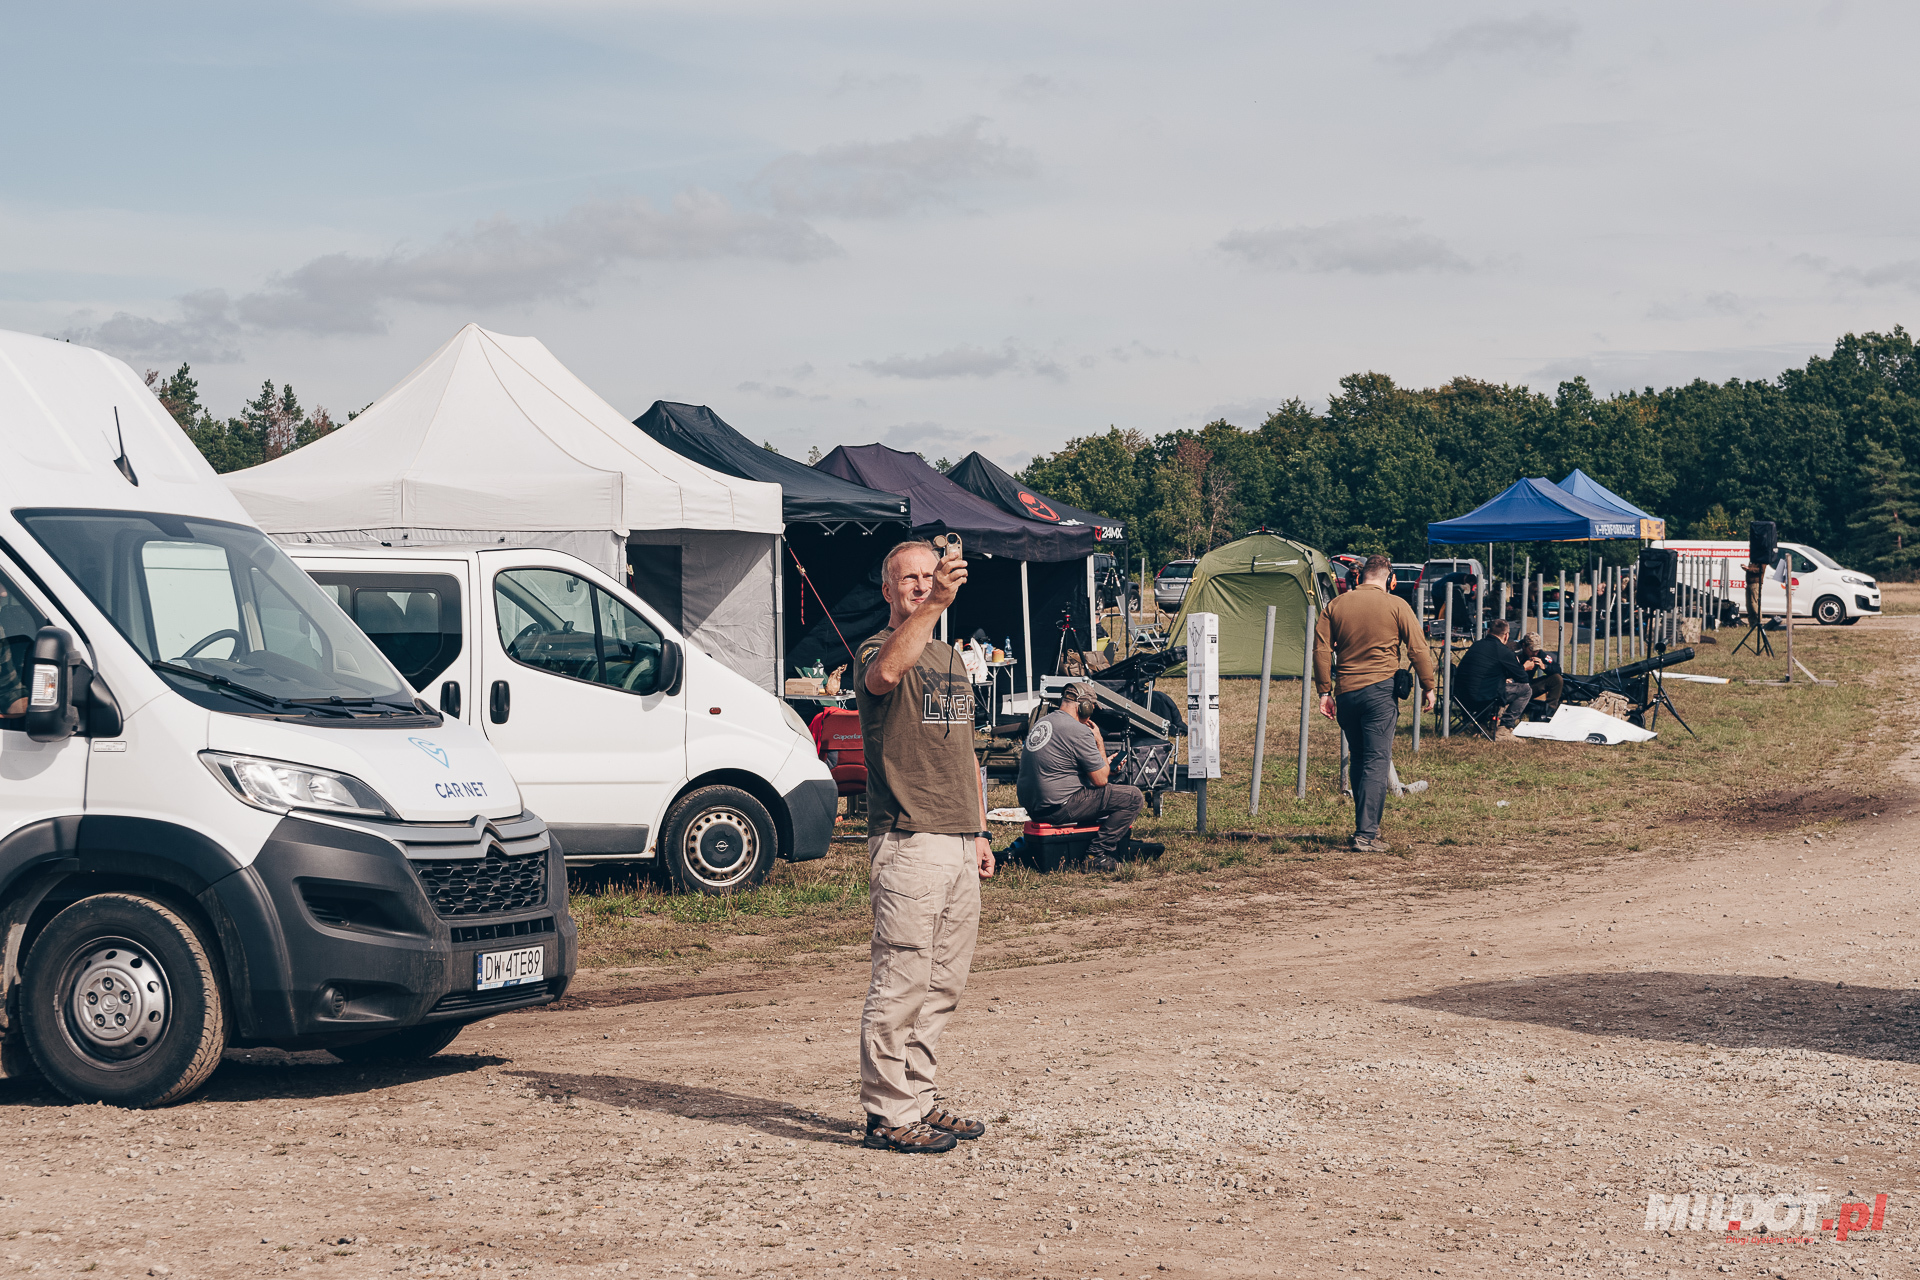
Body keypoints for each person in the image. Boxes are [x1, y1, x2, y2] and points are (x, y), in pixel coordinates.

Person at [850, 539, 994, 1156]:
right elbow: (885, 675)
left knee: (942, 984)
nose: (919, 585)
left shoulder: (951, 657)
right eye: (907, 579)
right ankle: (887, 1113)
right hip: (909, 838)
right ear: (887, 590)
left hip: (958, 838)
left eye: (928, 576)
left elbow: (965, 750)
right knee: (902, 980)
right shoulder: (877, 648)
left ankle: (919, 1098)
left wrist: (981, 830)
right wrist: (935, 603)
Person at [1314, 554, 1437, 853]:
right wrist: (1428, 685)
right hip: (1380, 692)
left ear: (1359, 577)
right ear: (1391, 579)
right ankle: (1366, 835)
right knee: (1376, 761)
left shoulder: (1335, 605)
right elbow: (1418, 648)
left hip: (1346, 692)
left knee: (1359, 758)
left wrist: (1324, 692)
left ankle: (1365, 827)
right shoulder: (1397, 605)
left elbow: (1321, 650)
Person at [1015, 682, 1163, 872]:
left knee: (1099, 794)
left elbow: (1064, 767)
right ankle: (1096, 854)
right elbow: (1101, 780)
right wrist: (1099, 742)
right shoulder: (1078, 730)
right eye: (1092, 708)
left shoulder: (1042, 723)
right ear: (1083, 706)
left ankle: (1089, 845)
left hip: (1036, 807)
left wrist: (1104, 765)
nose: (1091, 713)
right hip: (1059, 807)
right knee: (1133, 797)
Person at [1457, 618, 1537, 739]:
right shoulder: (1503, 651)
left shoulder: (1476, 645)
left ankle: (1481, 724)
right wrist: (1525, 667)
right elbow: (1523, 678)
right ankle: (1504, 728)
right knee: (1526, 690)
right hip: (1482, 698)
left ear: (1489, 631)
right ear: (1506, 635)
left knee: (1491, 683)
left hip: (1460, 697)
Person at [1514, 631, 1562, 715]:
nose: (1535, 653)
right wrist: (1523, 668)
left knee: (1557, 679)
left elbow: (1557, 669)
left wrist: (1544, 667)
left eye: (1537, 650)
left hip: (1527, 687)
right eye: (1532, 650)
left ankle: (1549, 711)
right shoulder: (1514, 651)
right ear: (1524, 645)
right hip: (1511, 688)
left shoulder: (1538, 654)